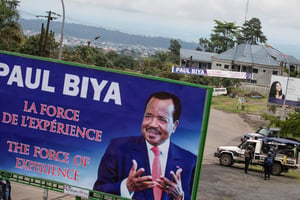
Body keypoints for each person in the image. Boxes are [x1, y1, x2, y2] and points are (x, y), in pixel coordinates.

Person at [93, 91, 197, 200]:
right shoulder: (118, 148)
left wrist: (180, 198)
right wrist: (126, 187)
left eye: (162, 119)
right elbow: (98, 191)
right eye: (148, 116)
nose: (152, 124)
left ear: (174, 126)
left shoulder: (190, 161)